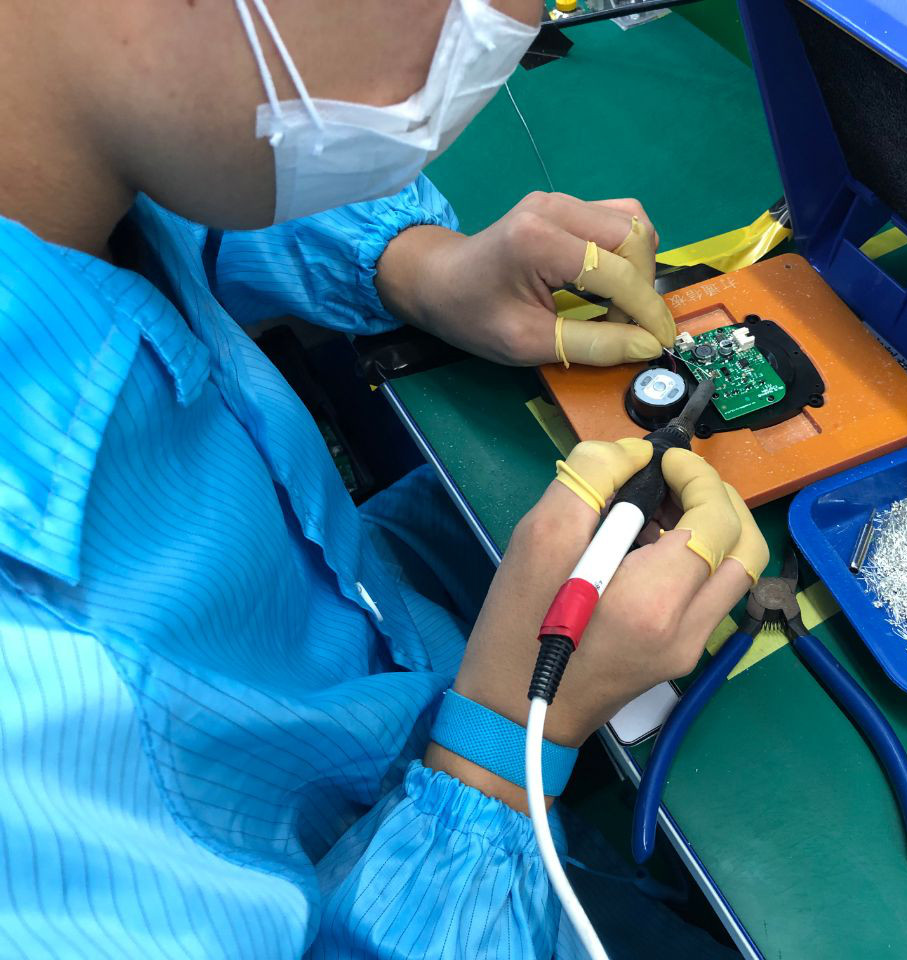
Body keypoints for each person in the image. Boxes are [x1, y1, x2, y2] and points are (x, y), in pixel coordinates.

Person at [0, 0, 768, 957]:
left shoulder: (62, 140)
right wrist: (502, 744)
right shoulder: (38, 715)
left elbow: (173, 170)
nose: (506, 25)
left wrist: (418, 269)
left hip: (390, 629)